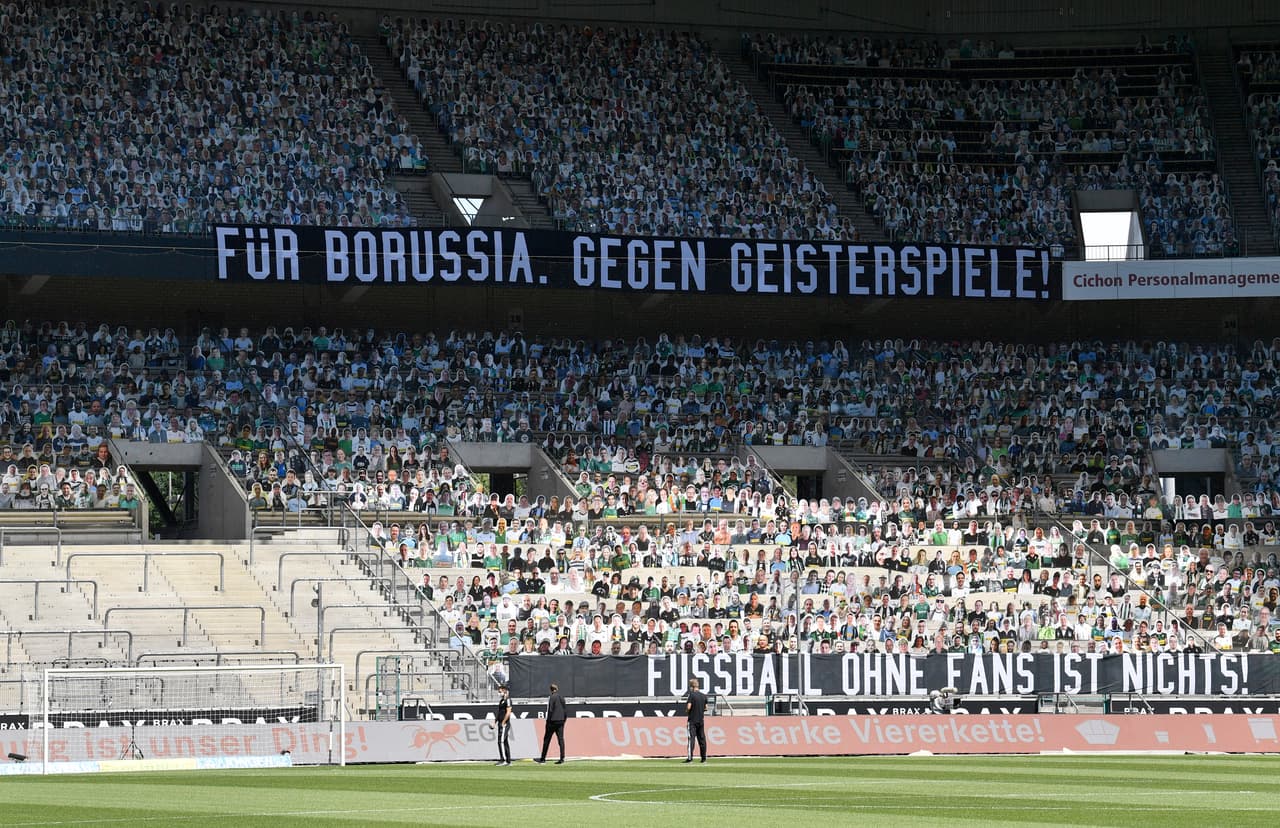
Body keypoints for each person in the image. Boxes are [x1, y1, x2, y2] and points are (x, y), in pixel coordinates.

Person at [535, 683, 566, 764]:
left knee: (547, 740)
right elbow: (565, 709)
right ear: (557, 689)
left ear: (551, 690)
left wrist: (548, 721)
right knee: (561, 739)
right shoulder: (561, 697)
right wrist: (564, 720)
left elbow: (550, 710)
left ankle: (543, 758)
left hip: (552, 721)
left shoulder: (551, 697)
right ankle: (562, 758)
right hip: (561, 721)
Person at [684, 678, 708, 764]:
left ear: (691, 687)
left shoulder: (691, 695)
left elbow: (689, 707)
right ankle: (703, 758)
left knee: (691, 739)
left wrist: (687, 711)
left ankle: (690, 758)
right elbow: (706, 708)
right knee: (702, 739)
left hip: (692, 720)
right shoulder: (703, 696)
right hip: (701, 720)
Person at [495, 684, 512, 766]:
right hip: (500, 723)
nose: (499, 693)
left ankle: (503, 760)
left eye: (500, 691)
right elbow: (499, 712)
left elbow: (508, 713)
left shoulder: (508, 700)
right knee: (504, 742)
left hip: (504, 724)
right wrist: (495, 722)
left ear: (504, 691)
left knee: (501, 741)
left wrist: (503, 722)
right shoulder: (501, 701)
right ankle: (508, 760)